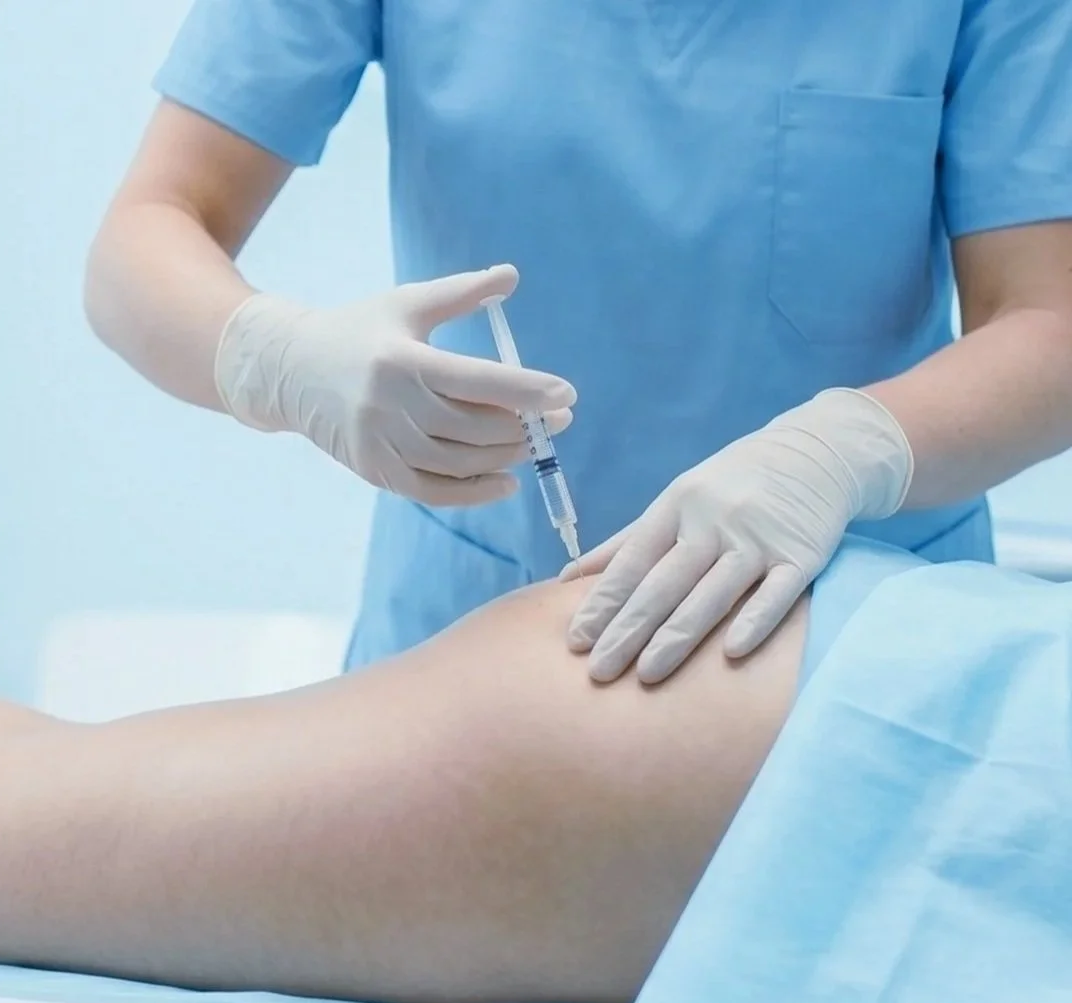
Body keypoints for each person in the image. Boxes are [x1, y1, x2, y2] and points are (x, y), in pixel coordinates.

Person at [84, 2, 1072, 686]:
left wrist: (846, 454)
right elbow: (145, 235)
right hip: (469, 646)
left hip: (849, 649)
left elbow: (1050, 323)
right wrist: (279, 359)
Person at [0, 538, 923, 1003]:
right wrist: (257, 350)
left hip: (788, 685)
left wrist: (859, 440)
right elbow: (156, 233)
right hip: (642, 739)